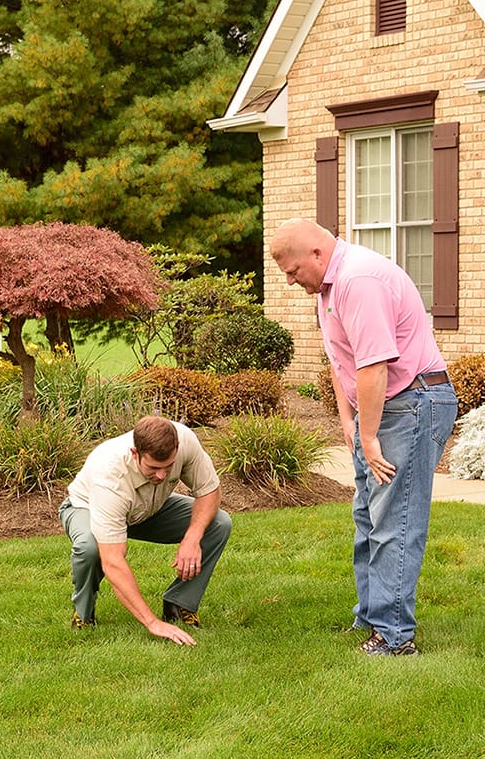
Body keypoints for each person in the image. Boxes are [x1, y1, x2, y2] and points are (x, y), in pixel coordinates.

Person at [270, 218, 458, 656]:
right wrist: (350, 424)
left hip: (412, 403)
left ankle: (394, 638)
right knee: (368, 519)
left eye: (293, 271)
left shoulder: (359, 280)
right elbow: (342, 361)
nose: (290, 281)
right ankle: (372, 617)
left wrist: (369, 436)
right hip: (382, 409)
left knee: (395, 521)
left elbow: (374, 365)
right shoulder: (328, 289)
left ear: (317, 254)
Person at [59, 415, 232, 645]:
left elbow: (209, 491)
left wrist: (192, 538)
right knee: (90, 548)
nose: (161, 475)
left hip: (148, 510)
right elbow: (113, 561)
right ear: (135, 453)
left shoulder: (185, 442)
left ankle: (179, 605)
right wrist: (151, 623)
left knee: (218, 523)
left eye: (167, 467)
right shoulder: (110, 477)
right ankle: (84, 614)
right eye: (153, 468)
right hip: (88, 508)